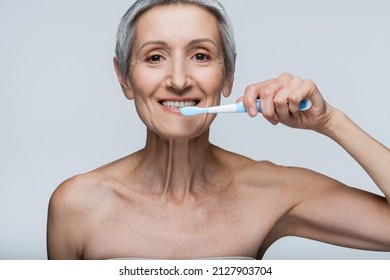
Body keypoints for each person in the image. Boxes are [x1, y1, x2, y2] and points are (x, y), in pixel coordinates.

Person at [46, 0, 390, 260]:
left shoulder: (272, 191)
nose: (179, 80)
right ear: (124, 78)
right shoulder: (76, 205)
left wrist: (331, 121)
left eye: (200, 56)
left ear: (228, 75)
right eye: (154, 57)